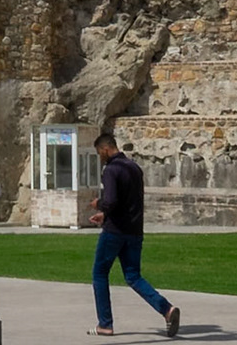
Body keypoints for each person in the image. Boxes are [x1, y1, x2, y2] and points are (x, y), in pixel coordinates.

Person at [88, 132, 178, 338]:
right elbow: (128, 202)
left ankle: (105, 324)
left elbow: (110, 201)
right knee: (133, 276)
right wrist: (105, 215)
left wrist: (99, 205)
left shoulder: (111, 170)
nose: (100, 157)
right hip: (134, 231)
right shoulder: (134, 168)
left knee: (100, 274)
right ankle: (166, 309)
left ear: (105, 149)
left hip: (114, 232)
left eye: (99, 153)